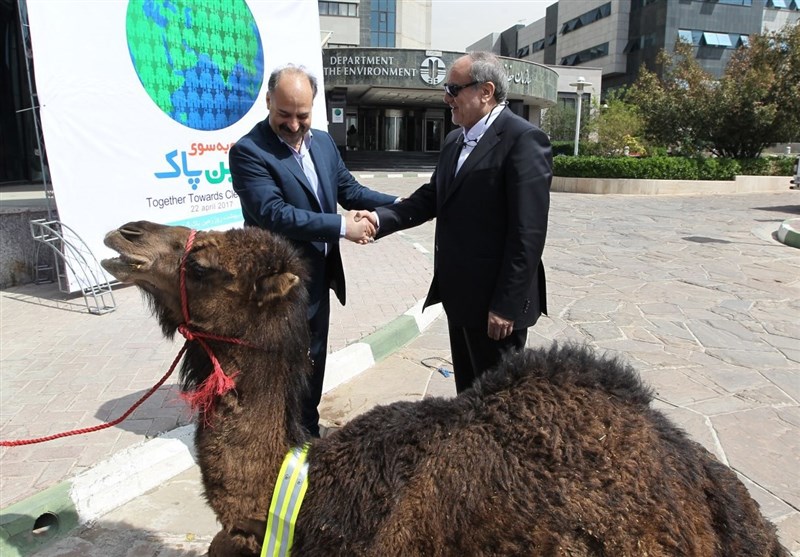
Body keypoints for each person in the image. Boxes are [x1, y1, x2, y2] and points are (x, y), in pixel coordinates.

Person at [358, 52, 552, 394]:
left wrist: (505, 305)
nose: (446, 97)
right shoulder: (454, 140)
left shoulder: (523, 141)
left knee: (495, 406)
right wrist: (379, 219)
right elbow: (430, 198)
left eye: (453, 88)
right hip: (460, 298)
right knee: (467, 395)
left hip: (496, 310)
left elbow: (528, 234)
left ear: (486, 91)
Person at [229, 64, 398, 437]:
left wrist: (407, 204)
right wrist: (342, 227)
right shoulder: (248, 152)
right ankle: (276, 437)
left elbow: (351, 191)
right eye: (283, 115)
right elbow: (274, 213)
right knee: (278, 367)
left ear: (313, 108)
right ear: (269, 101)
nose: (293, 124)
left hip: (316, 279)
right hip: (276, 287)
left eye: (302, 115)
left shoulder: (321, 142)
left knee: (314, 359)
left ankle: (307, 432)